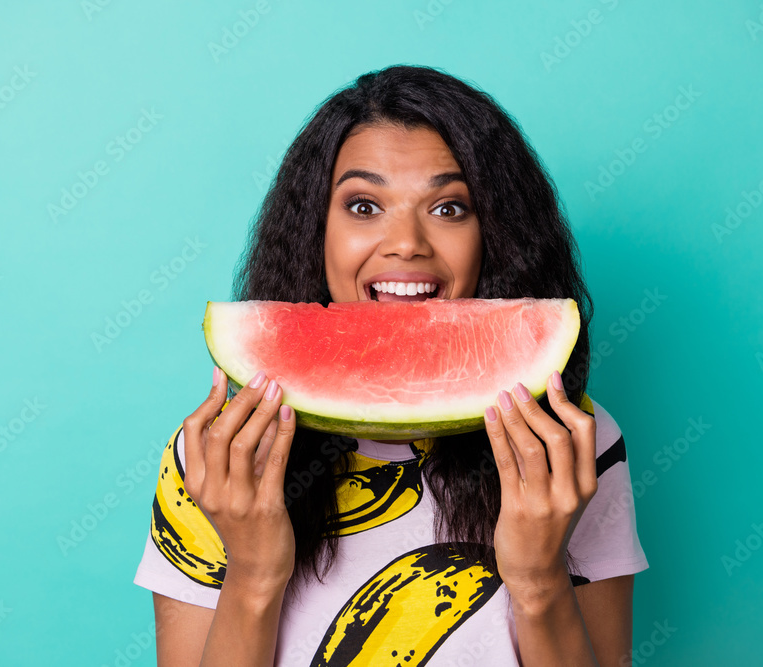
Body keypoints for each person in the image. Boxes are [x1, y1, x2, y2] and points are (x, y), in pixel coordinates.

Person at [133, 64, 648, 666]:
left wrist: (538, 580)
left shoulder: (565, 443)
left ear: (498, 235)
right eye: (363, 204)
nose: (406, 242)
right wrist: (251, 575)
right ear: (314, 231)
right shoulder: (219, 454)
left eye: (450, 208)